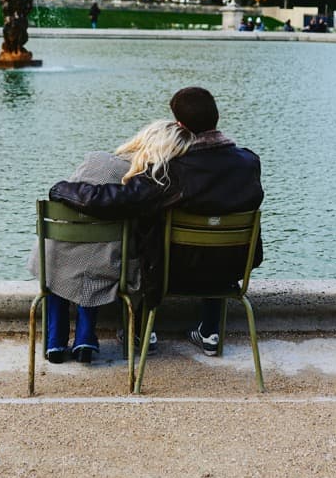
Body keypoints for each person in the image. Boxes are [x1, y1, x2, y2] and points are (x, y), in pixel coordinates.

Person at [49, 87, 264, 357]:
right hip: (232, 268)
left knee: (146, 228)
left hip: (172, 273)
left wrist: (63, 189)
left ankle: (140, 331)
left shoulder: (172, 170)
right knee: (216, 232)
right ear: (216, 119)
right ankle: (210, 329)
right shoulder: (249, 163)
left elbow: (115, 199)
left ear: (180, 125)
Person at [31, 120, 193, 363]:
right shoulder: (147, 182)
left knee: (67, 258)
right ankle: (85, 336)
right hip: (103, 263)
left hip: (53, 257)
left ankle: (55, 339)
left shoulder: (96, 160)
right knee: (97, 257)